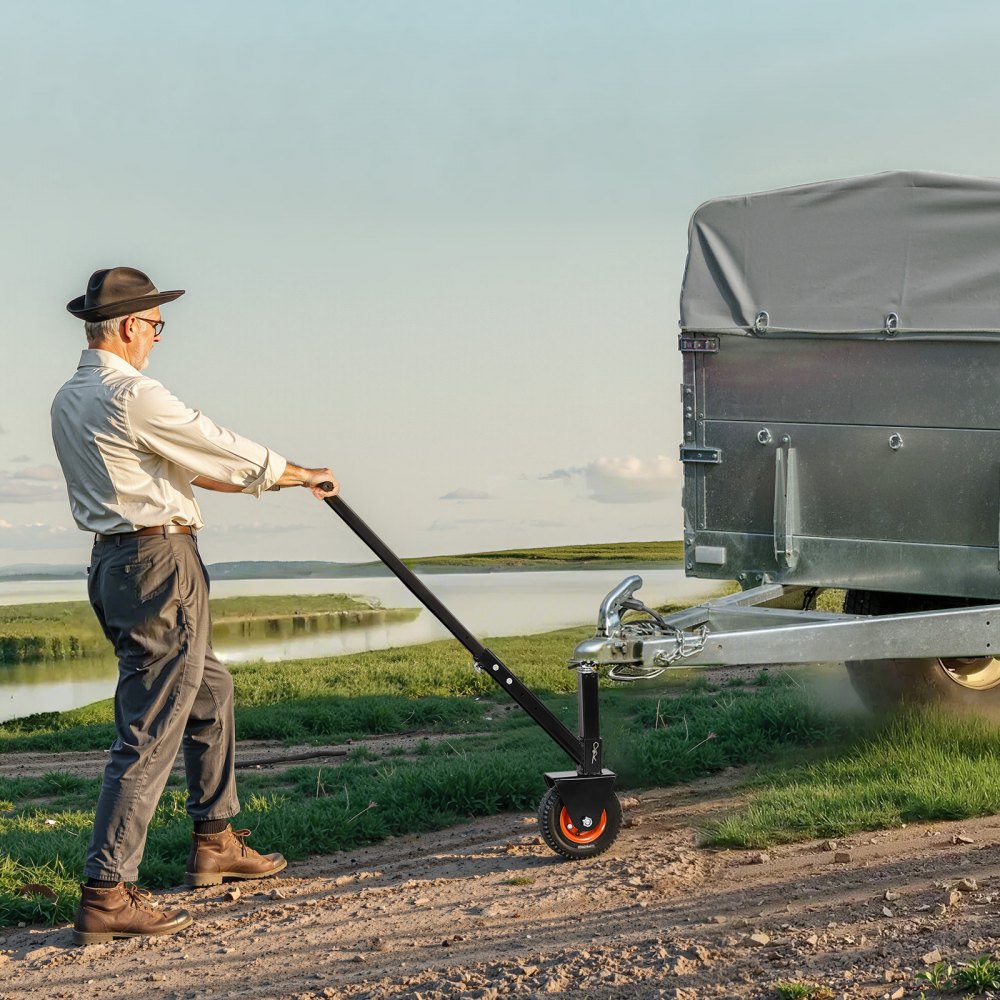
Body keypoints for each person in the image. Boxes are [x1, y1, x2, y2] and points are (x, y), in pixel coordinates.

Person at [51, 267, 339, 945]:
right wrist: (296, 471)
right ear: (128, 326)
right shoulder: (132, 392)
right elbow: (215, 443)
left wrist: (275, 485)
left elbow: (191, 468)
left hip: (114, 563)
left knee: (211, 690)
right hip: (160, 567)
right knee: (150, 729)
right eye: (155, 326)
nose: (156, 338)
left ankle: (216, 839)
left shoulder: (70, 397)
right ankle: (106, 892)